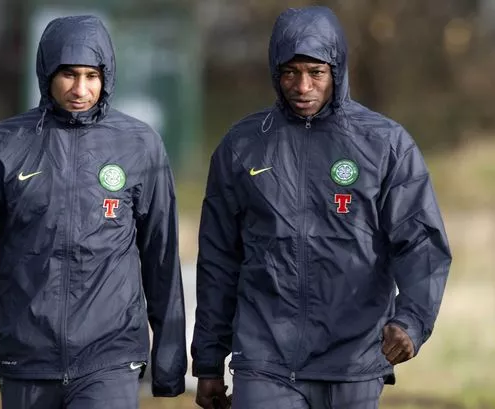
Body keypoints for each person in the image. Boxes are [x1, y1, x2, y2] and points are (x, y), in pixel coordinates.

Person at [0, 15, 187, 408]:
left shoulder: (140, 145)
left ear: (106, 76)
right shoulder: (5, 143)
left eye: (91, 76)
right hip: (25, 358)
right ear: (46, 74)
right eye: (69, 75)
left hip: (109, 358)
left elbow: (162, 257)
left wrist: (169, 362)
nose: (80, 89)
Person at [191, 6, 451, 409]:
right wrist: (208, 360)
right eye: (290, 72)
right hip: (265, 360)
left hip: (354, 360)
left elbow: (421, 243)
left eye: (316, 72)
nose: (302, 85)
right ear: (275, 73)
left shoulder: (386, 145)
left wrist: (412, 320)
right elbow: (219, 260)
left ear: (338, 70)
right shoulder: (241, 146)